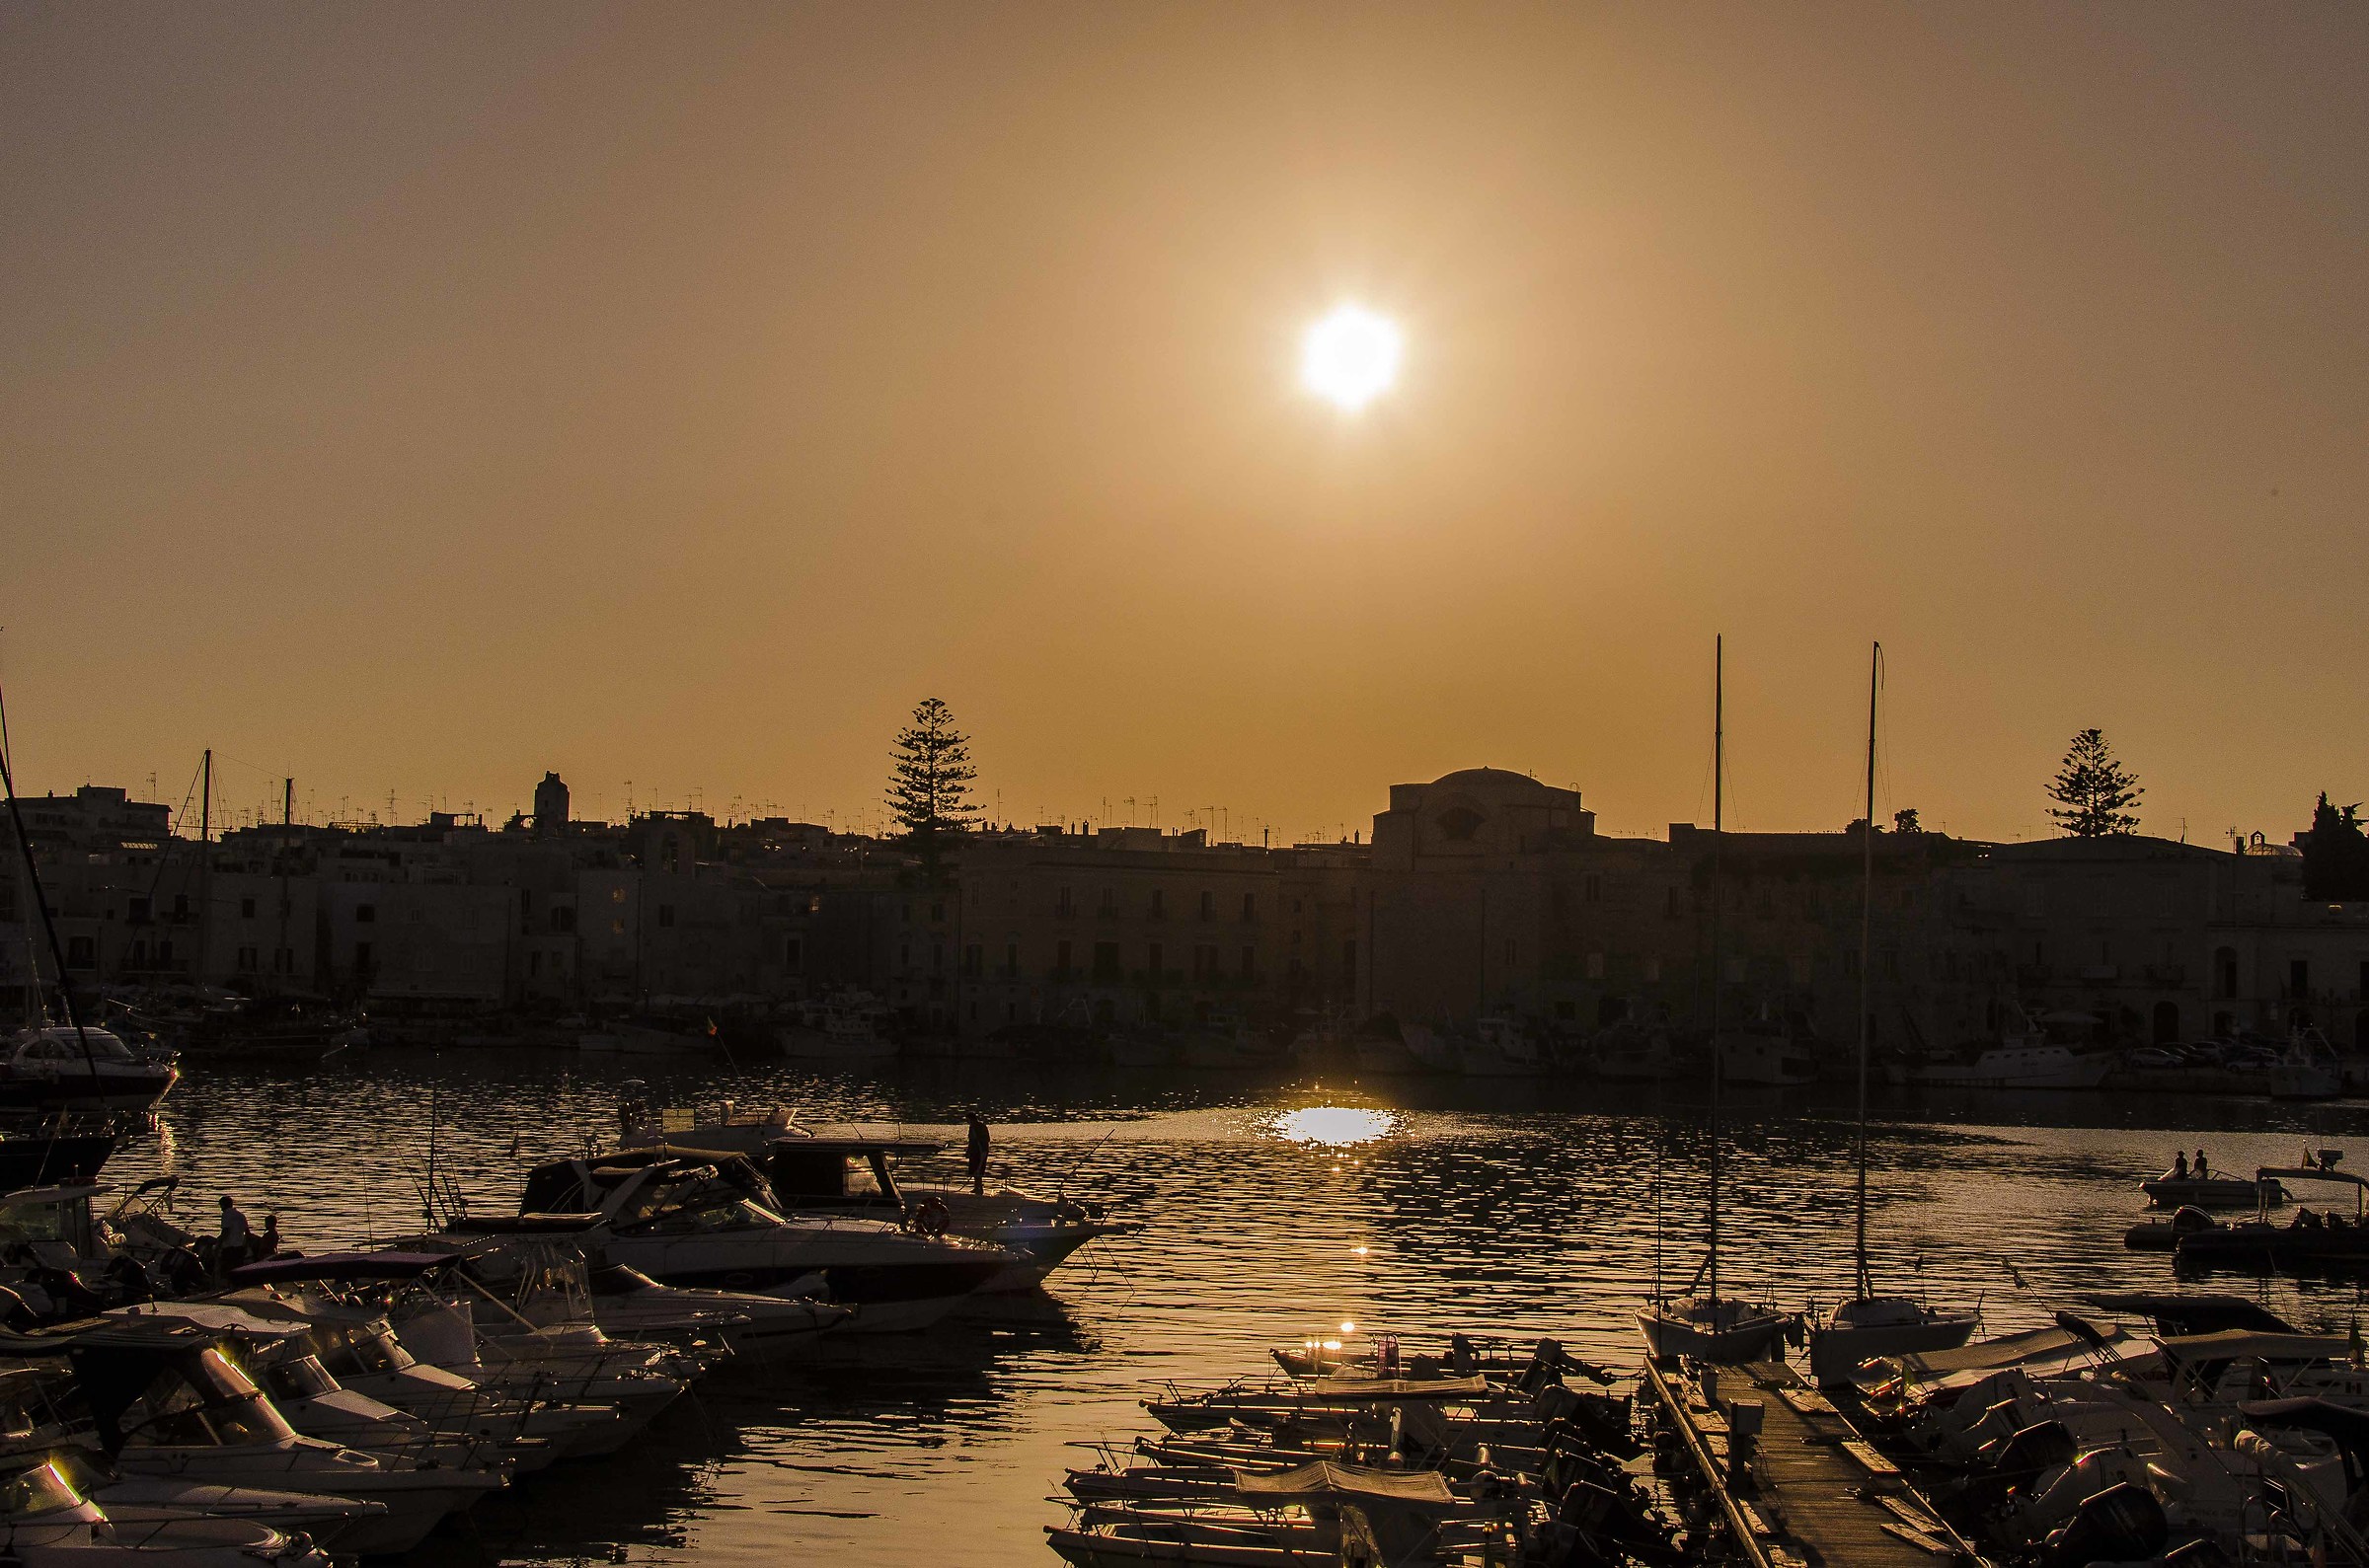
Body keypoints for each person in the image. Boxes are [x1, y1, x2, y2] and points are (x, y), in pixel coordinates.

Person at [215, 1196, 251, 1274]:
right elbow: (248, 1233)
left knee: (227, 1270)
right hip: (240, 1248)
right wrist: (246, 1246)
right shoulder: (241, 1215)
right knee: (238, 1270)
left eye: (221, 1206)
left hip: (229, 1248)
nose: (221, 1209)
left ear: (224, 1205)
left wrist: (218, 1246)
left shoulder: (226, 1214)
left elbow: (225, 1232)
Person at [966, 1112, 990, 1197]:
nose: (967, 1121)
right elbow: (971, 1140)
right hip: (977, 1151)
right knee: (974, 1170)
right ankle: (977, 1187)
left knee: (978, 1170)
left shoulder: (978, 1127)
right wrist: (968, 1151)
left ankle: (979, 1188)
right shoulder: (975, 1127)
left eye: (968, 1120)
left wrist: (982, 1151)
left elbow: (980, 1140)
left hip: (980, 1151)